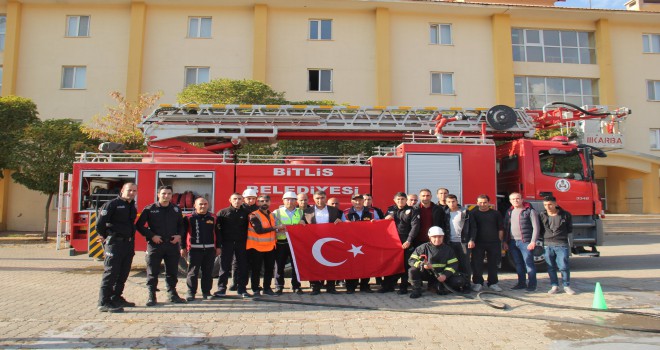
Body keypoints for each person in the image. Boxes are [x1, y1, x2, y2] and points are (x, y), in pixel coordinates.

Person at [136, 185, 186, 306]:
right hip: (155, 245)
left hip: (171, 245)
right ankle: (151, 296)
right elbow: (139, 225)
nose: (166, 196)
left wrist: (179, 236)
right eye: (163, 193)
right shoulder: (149, 209)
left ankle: (172, 294)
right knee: (152, 272)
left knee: (172, 271)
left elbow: (182, 225)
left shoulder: (176, 209)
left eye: (169, 194)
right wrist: (152, 236)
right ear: (158, 194)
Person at [96, 182, 138, 313]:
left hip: (127, 244)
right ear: (122, 190)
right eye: (129, 190)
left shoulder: (132, 206)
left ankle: (116, 297)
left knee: (123, 273)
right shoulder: (111, 204)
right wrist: (105, 237)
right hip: (115, 244)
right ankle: (104, 302)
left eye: (134, 191)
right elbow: (100, 224)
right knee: (111, 273)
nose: (131, 193)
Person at [302, 190, 343, 295]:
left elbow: (342, 224)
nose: (320, 200)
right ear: (314, 199)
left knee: (331, 264)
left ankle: (331, 287)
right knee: (314, 265)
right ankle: (316, 288)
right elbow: (303, 223)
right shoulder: (307, 211)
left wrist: (340, 222)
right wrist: (301, 223)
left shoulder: (334, 210)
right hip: (314, 242)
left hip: (330, 242)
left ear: (326, 198)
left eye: (322, 198)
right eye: (317, 198)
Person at [379, 192, 420, 294]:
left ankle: (404, 286)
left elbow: (415, 227)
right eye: (398, 199)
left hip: (405, 241)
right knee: (390, 264)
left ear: (406, 200)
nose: (400, 201)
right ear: (394, 200)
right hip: (392, 242)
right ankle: (388, 286)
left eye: (402, 199)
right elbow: (383, 226)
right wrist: (385, 219)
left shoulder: (412, 211)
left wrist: (409, 240)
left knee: (405, 265)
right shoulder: (390, 210)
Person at [215, 193, 251, 298]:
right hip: (227, 243)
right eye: (235, 199)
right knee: (224, 266)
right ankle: (221, 289)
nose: (237, 201)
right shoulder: (222, 213)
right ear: (230, 200)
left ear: (242, 200)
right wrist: (219, 244)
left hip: (242, 243)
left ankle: (242, 289)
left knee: (243, 266)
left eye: (239, 199)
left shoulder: (246, 213)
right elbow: (217, 230)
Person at [504, 192, 541, 292]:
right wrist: (505, 242)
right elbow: (506, 228)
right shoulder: (509, 212)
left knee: (528, 264)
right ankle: (521, 283)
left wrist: (533, 241)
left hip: (525, 242)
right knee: (518, 264)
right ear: (510, 201)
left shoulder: (530, 211)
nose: (515, 201)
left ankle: (532, 285)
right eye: (513, 199)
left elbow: (536, 227)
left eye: (517, 198)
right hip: (512, 242)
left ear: (522, 199)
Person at [408, 226, 459, 299]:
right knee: (412, 270)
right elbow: (411, 260)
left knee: (458, 282)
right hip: (426, 273)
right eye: (434, 237)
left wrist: (445, 275)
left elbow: (453, 264)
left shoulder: (448, 250)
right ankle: (416, 290)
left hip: (440, 275)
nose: (437, 239)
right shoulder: (422, 248)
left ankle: (436, 286)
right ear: (430, 237)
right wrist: (422, 265)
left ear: (443, 237)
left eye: (440, 237)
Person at [247, 194, 283, 296]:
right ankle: (255, 289)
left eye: (266, 201)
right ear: (257, 202)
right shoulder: (253, 215)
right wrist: (276, 227)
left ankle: (267, 288)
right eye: (262, 201)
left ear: (270, 202)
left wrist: (279, 228)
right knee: (256, 270)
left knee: (269, 269)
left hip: (270, 247)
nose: (264, 203)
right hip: (257, 247)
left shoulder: (271, 214)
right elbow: (259, 230)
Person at [181, 198, 217, 301]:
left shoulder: (213, 217)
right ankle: (191, 292)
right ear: (195, 206)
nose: (203, 206)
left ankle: (206, 292)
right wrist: (182, 247)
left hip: (210, 250)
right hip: (194, 250)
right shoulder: (188, 218)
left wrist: (218, 247)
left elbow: (218, 233)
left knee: (208, 272)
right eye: (200, 204)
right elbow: (183, 234)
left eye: (205, 204)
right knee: (193, 272)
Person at [539, 196, 576, 295]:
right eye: (545, 205)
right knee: (550, 267)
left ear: (555, 204)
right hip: (547, 244)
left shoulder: (565, 215)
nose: (548, 207)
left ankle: (566, 286)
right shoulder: (542, 215)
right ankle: (554, 286)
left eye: (550, 204)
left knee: (563, 266)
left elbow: (569, 229)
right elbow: (540, 229)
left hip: (561, 244)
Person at [469, 194, 504, 292]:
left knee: (493, 263)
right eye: (480, 202)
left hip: (494, 243)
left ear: (489, 203)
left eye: (485, 202)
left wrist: (500, 241)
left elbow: (500, 228)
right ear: (477, 203)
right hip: (478, 243)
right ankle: (478, 283)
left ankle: (493, 283)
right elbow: (471, 228)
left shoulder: (495, 213)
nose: (483, 204)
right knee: (477, 263)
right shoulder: (473, 213)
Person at [343, 194, 377, 293]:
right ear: (351, 202)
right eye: (355, 201)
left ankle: (365, 286)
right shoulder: (345, 213)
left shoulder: (372, 212)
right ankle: (350, 287)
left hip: (367, 243)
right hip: (351, 244)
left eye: (360, 200)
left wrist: (375, 223)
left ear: (363, 201)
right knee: (351, 265)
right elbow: (340, 227)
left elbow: (381, 224)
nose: (358, 202)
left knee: (366, 264)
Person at [272, 191, 304, 295]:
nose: (289, 201)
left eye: (292, 199)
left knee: (296, 265)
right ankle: (279, 286)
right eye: (287, 199)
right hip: (282, 242)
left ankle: (296, 285)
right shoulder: (276, 212)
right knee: (279, 265)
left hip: (296, 242)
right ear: (283, 200)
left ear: (296, 201)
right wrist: (278, 229)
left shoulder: (301, 212)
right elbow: (271, 227)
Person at [226, 188, 257, 292]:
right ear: (244, 199)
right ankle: (235, 283)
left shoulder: (258, 210)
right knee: (236, 263)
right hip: (241, 241)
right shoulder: (239, 208)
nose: (250, 200)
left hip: (254, 241)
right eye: (248, 198)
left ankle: (253, 285)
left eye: (253, 198)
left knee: (253, 264)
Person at [443, 194, 474, 281]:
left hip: (463, 242)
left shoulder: (465, 212)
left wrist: (471, 240)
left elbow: (473, 227)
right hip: (449, 242)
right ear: (446, 203)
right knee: (452, 264)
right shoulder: (445, 213)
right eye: (449, 202)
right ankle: (455, 283)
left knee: (465, 264)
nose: (451, 203)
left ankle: (467, 284)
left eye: (453, 201)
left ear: (457, 202)